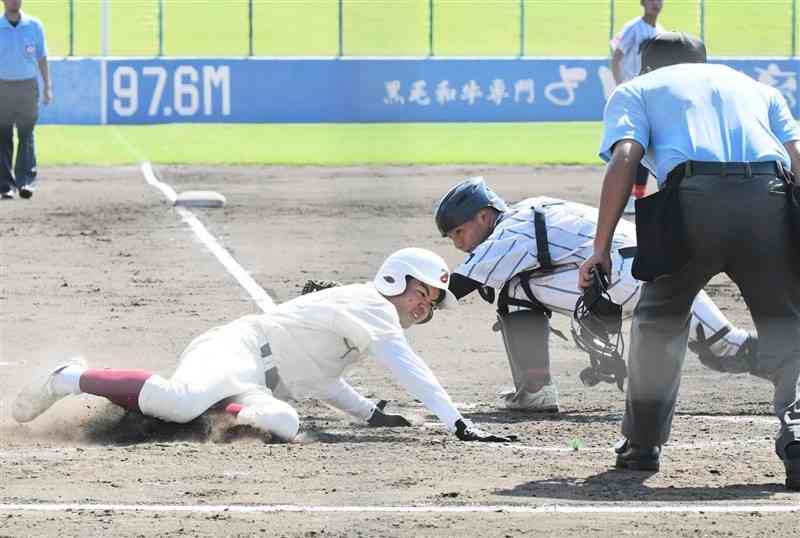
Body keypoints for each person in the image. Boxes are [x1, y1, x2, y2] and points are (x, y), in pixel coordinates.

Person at [580, 32, 800, 491]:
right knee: (789, 323)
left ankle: (642, 446)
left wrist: (600, 248)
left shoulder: (639, 89)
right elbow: (796, 159)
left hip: (692, 204)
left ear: (647, 65)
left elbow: (626, 157)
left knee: (659, 317)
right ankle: (798, 432)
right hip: (770, 198)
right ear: (705, 60)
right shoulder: (759, 89)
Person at [13, 248, 512, 444]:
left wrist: (368, 415)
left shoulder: (370, 324)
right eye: (422, 293)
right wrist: (458, 422)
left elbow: (322, 381)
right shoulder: (374, 308)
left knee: (285, 423)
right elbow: (409, 367)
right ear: (394, 279)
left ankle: (206, 407)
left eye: (432, 302)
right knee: (178, 400)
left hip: (254, 382)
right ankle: (67, 376)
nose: (425, 307)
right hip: (238, 348)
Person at [434, 177, 756, 413]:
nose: (459, 244)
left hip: (626, 279)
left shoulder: (511, 230)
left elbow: (460, 285)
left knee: (517, 289)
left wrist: (411, 304)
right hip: (661, 266)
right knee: (725, 346)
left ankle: (535, 391)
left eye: (459, 232)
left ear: (484, 215)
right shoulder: (535, 208)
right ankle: (789, 363)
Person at [610, 0, 664, 215]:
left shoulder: (660, 32)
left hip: (652, 96)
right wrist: (620, 88)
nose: (655, 3)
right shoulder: (633, 28)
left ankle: (641, 195)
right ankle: (633, 196)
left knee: (651, 144)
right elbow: (616, 57)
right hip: (633, 94)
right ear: (642, 3)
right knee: (634, 143)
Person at [0, 0, 51, 200]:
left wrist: (48, 87)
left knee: (26, 134)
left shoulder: (34, 26)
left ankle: (25, 182)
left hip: (28, 87)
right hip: (2, 86)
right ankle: (5, 185)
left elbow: (42, 57)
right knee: (3, 136)